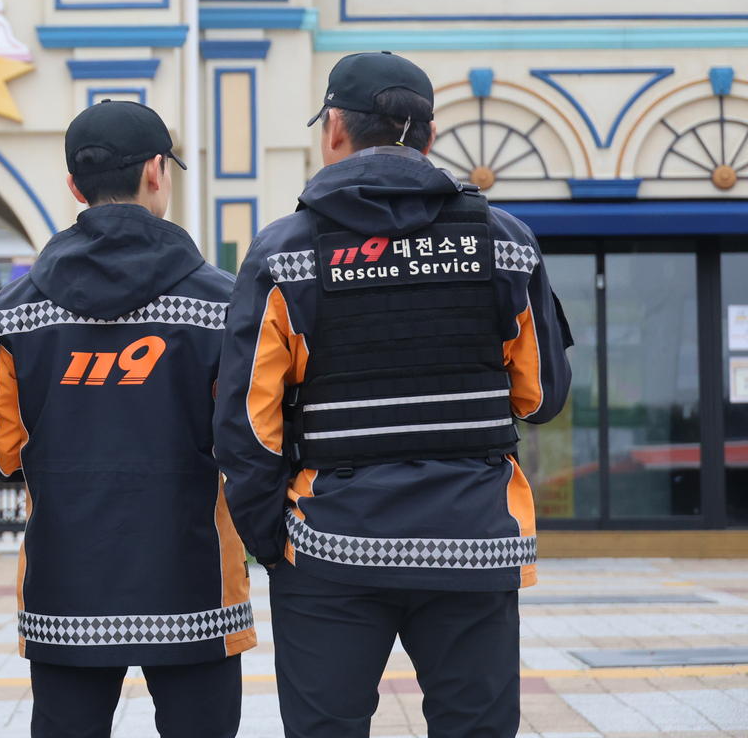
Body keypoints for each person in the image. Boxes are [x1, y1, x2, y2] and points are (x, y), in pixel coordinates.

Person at [213, 52, 572, 738]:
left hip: (330, 549)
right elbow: (541, 395)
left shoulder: (284, 253)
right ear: (431, 137)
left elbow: (245, 427)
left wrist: (277, 543)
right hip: (473, 544)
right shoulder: (505, 243)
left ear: (335, 133)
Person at [0, 99, 256, 738]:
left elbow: (0, 454)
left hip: (66, 586)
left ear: (74, 185)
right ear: (157, 171)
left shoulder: (12, 315)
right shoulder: (225, 304)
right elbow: (252, 440)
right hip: (195, 586)